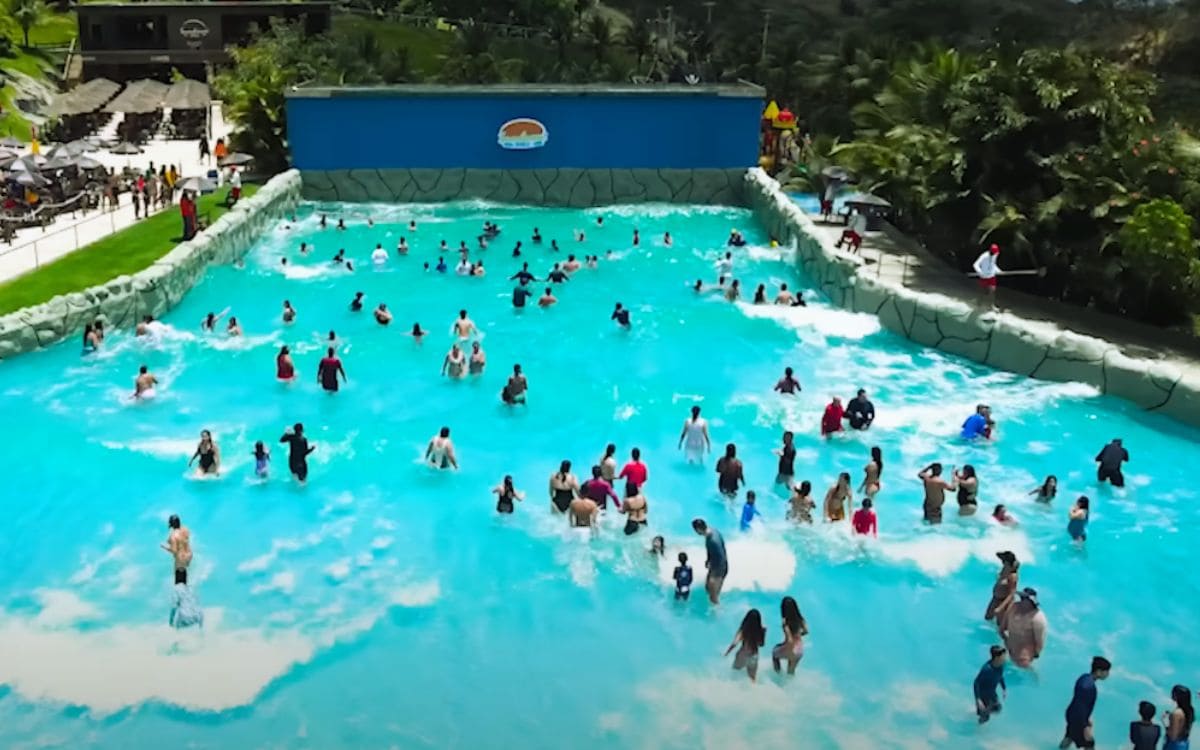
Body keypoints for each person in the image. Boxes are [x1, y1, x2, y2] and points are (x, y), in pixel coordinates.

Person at [1061, 657, 1113, 749]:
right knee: (1089, 743)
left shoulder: (1084, 677)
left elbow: (1079, 703)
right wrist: (1085, 726)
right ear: (1099, 671)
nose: (1108, 674)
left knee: (1070, 736)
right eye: (1107, 671)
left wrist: (1086, 719)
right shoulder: (1089, 687)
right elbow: (1080, 707)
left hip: (1071, 714)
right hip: (1078, 719)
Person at [1002, 588, 1048, 667]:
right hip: (1009, 648)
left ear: (1031, 601)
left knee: (1024, 671)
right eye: (1021, 597)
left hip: (1024, 655)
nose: (1021, 600)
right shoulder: (1013, 607)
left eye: (1024, 598)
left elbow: (1039, 641)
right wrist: (1006, 641)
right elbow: (1003, 627)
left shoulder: (1038, 618)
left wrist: (1035, 654)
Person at [725, 609, 767, 682]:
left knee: (733, 676)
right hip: (754, 657)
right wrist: (764, 633)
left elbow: (735, 643)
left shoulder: (743, 630)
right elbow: (761, 644)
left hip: (743, 655)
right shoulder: (761, 630)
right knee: (752, 680)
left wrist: (727, 653)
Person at [692, 518, 728, 605]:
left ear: (698, 530)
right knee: (707, 588)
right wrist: (709, 560)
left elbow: (721, 558)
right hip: (716, 567)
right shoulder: (712, 531)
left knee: (713, 598)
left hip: (719, 570)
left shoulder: (713, 541)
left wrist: (715, 576)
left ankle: (718, 614)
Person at [770, 596, 809, 675]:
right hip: (799, 650)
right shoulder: (801, 619)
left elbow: (790, 641)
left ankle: (778, 675)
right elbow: (806, 631)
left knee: (774, 653)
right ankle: (790, 685)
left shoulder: (786, 623)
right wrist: (797, 636)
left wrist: (785, 646)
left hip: (792, 649)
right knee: (791, 672)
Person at [985, 551, 1019, 631]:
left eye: (1004, 560)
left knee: (1001, 626)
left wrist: (1001, 607)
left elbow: (1012, 593)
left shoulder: (1012, 575)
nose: (1002, 562)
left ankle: (1001, 641)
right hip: (995, 598)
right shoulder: (1004, 569)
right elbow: (997, 554)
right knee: (988, 618)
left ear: (1007, 562)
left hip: (1003, 601)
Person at [974, 645, 1009, 724]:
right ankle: (977, 729)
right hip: (983, 695)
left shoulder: (1000, 666)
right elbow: (976, 683)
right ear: (997, 657)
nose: (1005, 659)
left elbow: (1000, 677)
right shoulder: (987, 669)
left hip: (992, 693)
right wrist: (978, 699)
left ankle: (981, 711)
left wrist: (1004, 688)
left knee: (998, 708)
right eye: (1003, 657)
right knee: (985, 718)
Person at [161, 514, 192, 584]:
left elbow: (174, 551)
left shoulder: (173, 536)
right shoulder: (185, 530)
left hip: (179, 563)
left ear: (172, 524)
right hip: (187, 557)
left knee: (179, 586)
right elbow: (184, 538)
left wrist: (165, 547)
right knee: (184, 583)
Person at [1165, 685, 1193, 750]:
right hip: (1184, 744)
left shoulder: (1176, 713)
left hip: (1174, 746)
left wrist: (1166, 723)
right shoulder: (1190, 711)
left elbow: (1173, 736)